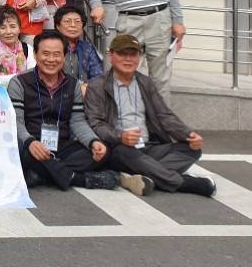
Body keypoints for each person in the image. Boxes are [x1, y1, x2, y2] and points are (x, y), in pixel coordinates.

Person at [84, 34, 215, 197]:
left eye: (133, 54)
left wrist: (188, 135)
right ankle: (183, 182)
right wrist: (120, 136)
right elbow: (96, 123)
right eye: (122, 54)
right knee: (125, 153)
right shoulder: (97, 85)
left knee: (192, 150)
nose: (128, 59)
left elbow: (164, 115)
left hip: (148, 147)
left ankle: (144, 175)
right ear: (111, 55)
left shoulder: (145, 82)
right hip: (119, 148)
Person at [8, 30, 118, 191]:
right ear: (35, 55)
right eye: (46, 54)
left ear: (64, 56)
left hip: (62, 146)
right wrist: (30, 142)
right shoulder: (19, 82)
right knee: (20, 154)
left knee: (103, 150)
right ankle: (78, 179)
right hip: (31, 145)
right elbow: (15, 122)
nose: (51, 59)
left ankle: (44, 174)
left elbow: (78, 121)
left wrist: (93, 142)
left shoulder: (73, 84)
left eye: (57, 54)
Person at [54, 5, 103, 90]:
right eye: (67, 21)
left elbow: (97, 76)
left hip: (85, 91)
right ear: (58, 26)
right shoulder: (51, 47)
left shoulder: (88, 48)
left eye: (77, 21)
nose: (73, 25)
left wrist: (86, 88)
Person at [0, 6, 35, 86]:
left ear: (19, 28)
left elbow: (32, 75)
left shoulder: (27, 48)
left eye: (13, 26)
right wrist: (20, 78)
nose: (8, 32)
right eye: (3, 28)